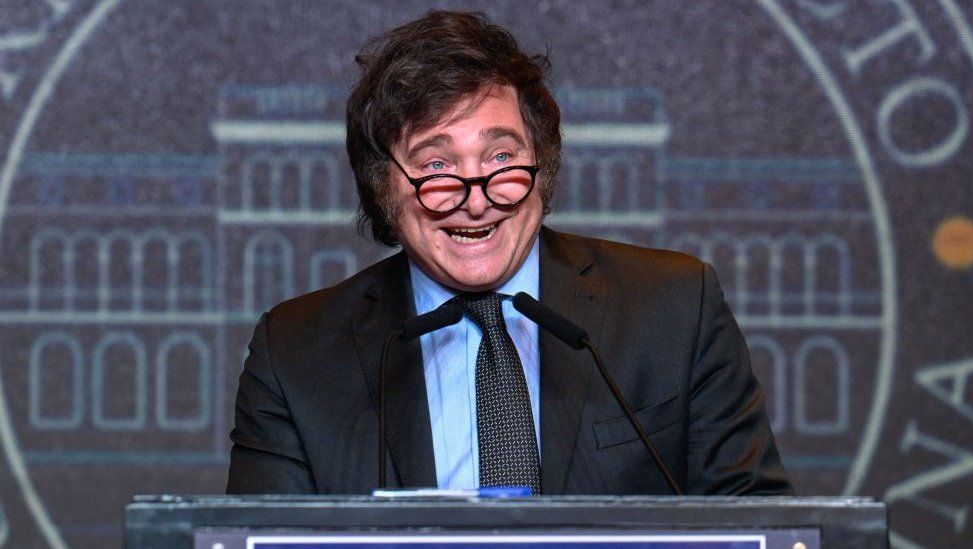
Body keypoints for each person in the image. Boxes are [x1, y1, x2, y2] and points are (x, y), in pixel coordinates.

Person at [226, 10, 793, 496]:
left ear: (541, 169)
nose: (477, 200)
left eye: (501, 158)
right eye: (436, 167)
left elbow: (759, 524)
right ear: (383, 186)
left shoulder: (674, 309)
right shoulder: (295, 355)